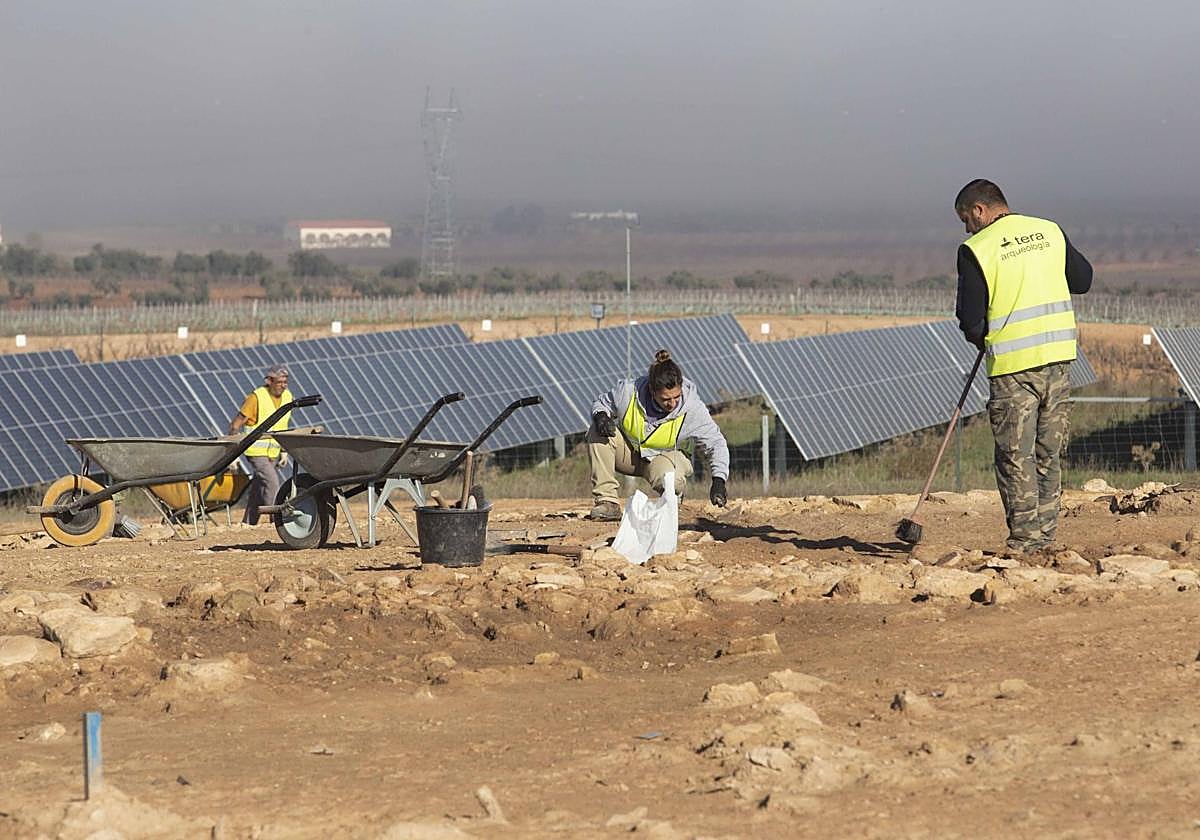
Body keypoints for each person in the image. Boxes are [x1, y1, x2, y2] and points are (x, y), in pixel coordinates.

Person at [953, 179, 1092, 553]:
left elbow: (969, 318)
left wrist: (985, 337)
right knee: (1049, 453)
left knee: (1016, 456)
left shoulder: (976, 249)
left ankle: (1026, 541)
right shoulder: (1049, 230)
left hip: (1014, 368)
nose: (966, 227)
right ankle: (1047, 538)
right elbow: (1083, 280)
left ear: (979, 210)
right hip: (1060, 361)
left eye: (966, 218)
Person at [586, 349, 730, 521]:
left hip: (663, 459)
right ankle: (607, 502)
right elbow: (601, 403)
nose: (672, 403)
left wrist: (719, 479)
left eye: (676, 397)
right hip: (630, 455)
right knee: (595, 431)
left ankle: (672, 497)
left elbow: (715, 442)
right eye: (666, 399)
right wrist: (601, 416)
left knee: (672, 480)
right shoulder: (628, 392)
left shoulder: (692, 407)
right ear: (652, 391)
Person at [228, 364, 293, 525]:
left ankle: (248, 523)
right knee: (272, 482)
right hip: (255, 451)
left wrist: (284, 450)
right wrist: (232, 454)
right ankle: (276, 521)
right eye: (279, 382)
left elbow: (284, 425)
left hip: (273, 452)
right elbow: (236, 424)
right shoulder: (256, 398)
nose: (283, 386)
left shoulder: (287, 397)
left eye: (285, 382)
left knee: (258, 488)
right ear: (269, 381)